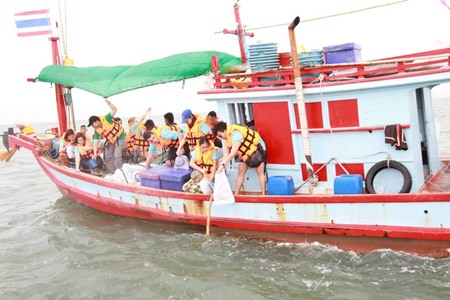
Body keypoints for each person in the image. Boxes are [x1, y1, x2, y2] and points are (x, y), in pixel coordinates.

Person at [212, 121, 267, 196]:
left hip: (257, 149)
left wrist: (223, 165)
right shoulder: (225, 140)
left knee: (260, 172)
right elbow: (226, 154)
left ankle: (263, 194)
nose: (221, 138)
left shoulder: (236, 133)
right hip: (245, 154)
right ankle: (236, 194)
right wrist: (221, 166)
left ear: (224, 130)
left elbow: (233, 152)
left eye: (220, 135)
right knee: (240, 172)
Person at [87, 97, 125, 174]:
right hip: (110, 140)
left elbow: (114, 109)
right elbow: (95, 142)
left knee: (117, 156)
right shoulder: (96, 131)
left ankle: (121, 173)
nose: (92, 126)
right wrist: (94, 154)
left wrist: (108, 102)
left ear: (97, 121)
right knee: (107, 157)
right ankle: (113, 173)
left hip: (119, 137)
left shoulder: (107, 118)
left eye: (92, 124)